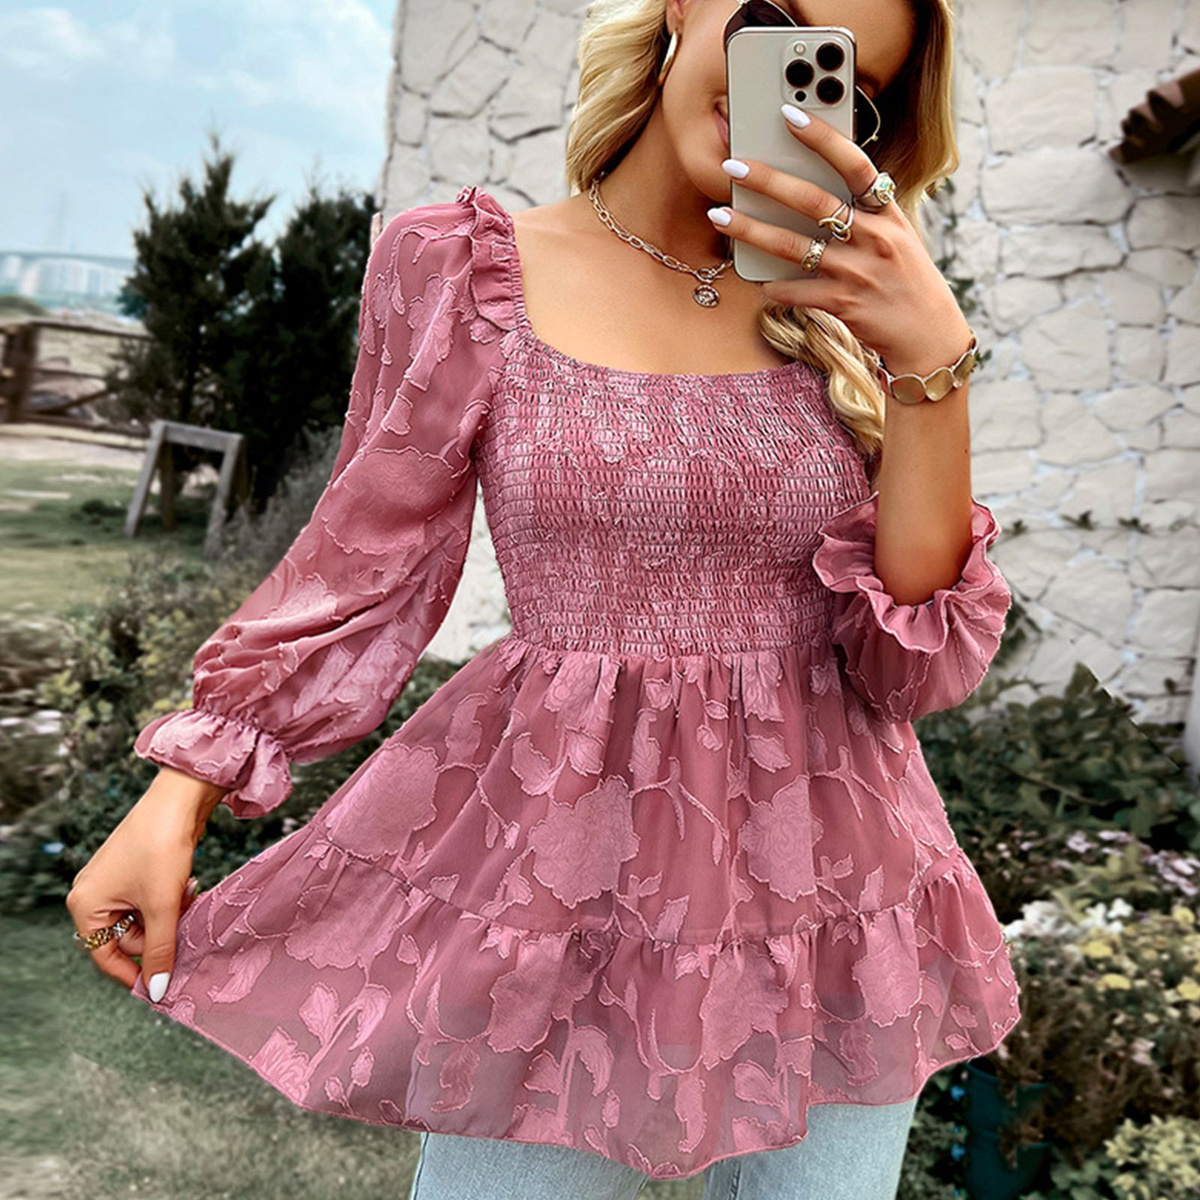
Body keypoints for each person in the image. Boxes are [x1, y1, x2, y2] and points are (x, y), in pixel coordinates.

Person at [67, 0, 1022, 1196]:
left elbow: (912, 668)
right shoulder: (465, 271)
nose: (787, 93)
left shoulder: (860, 304)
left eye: (843, 84)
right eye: (774, 23)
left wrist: (932, 369)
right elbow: (363, 563)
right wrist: (181, 791)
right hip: (558, 877)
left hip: (836, 894)